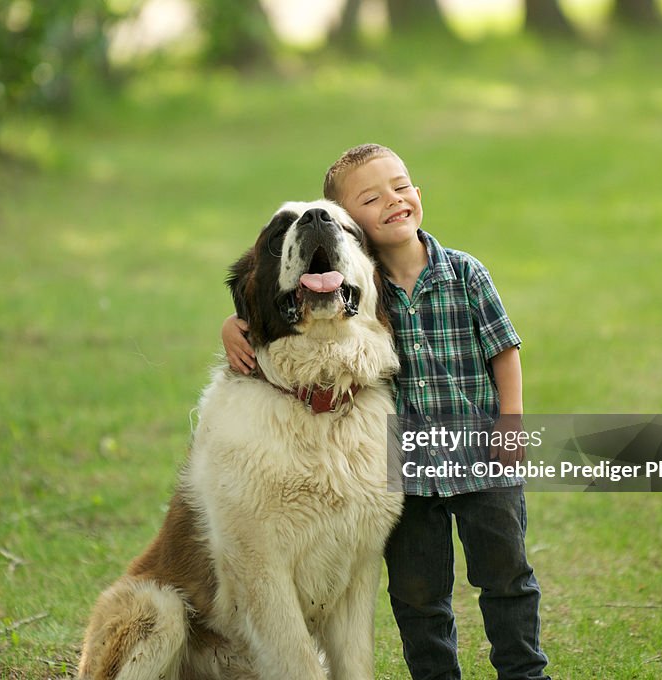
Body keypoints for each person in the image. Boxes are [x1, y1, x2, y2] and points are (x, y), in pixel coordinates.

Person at [222, 144, 550, 680]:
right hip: (410, 466)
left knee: (507, 574)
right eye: (372, 199)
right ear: (356, 230)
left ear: (418, 194)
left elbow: (504, 349)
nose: (394, 201)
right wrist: (230, 324)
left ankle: (524, 672)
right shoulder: (365, 286)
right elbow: (291, 296)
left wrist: (511, 424)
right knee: (419, 594)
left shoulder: (465, 273)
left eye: (401, 187)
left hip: (482, 454)